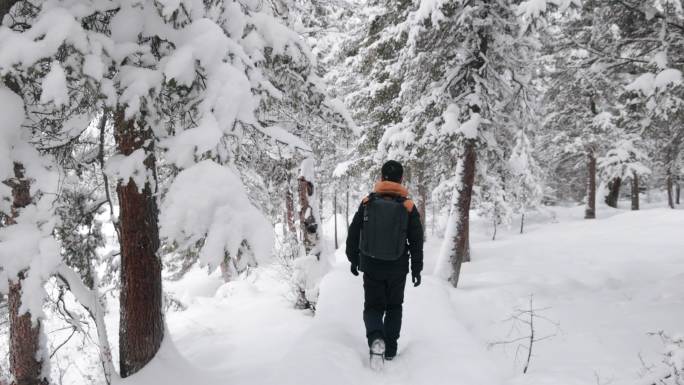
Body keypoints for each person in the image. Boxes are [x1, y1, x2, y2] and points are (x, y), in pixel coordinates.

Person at [345, 160, 424, 362]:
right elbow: (416, 241)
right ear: (401, 179)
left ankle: (376, 338)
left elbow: (353, 233)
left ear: (382, 178)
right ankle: (390, 350)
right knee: (394, 306)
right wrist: (416, 268)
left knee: (373, 306)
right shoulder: (408, 207)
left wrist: (354, 260)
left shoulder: (368, 202)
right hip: (397, 267)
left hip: (371, 265)